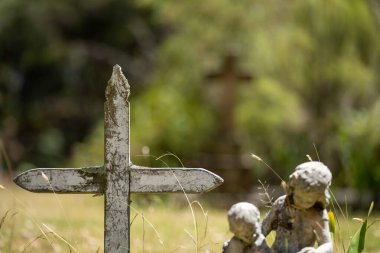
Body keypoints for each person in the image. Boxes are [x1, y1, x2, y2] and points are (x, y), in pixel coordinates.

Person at [261, 161, 333, 253]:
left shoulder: (318, 214)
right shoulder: (281, 204)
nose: (301, 203)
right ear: (292, 189)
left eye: (308, 201)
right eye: (298, 197)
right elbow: (262, 230)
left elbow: (327, 244)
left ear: (319, 198)